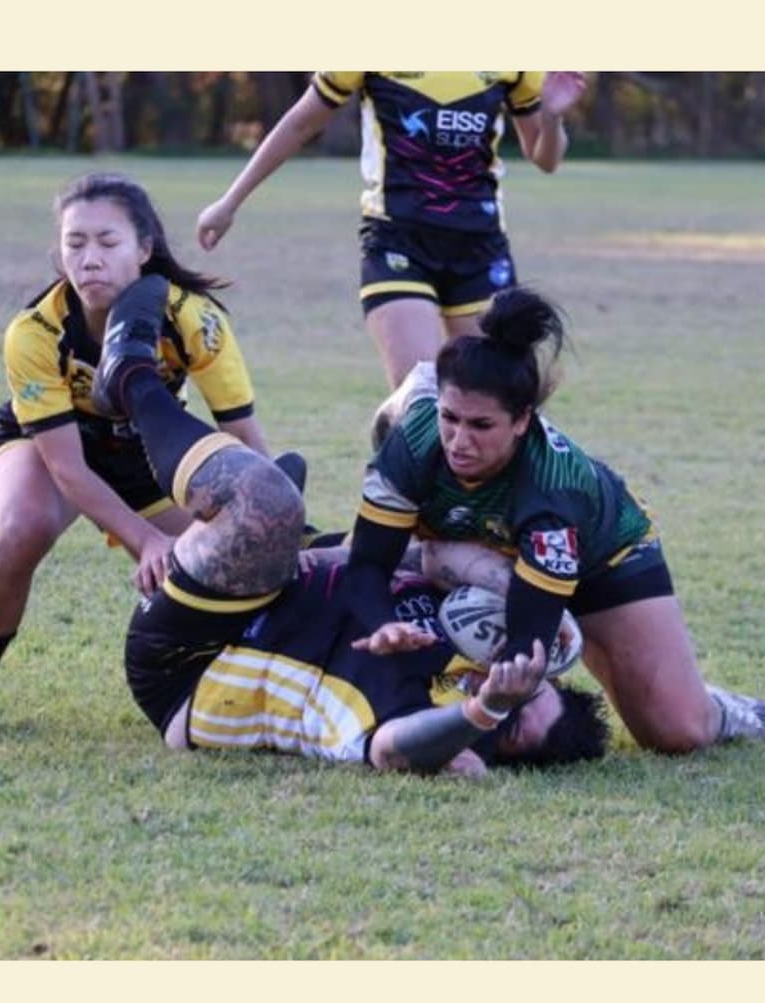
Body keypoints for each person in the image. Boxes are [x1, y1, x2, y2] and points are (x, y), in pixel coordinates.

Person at [91, 273, 609, 776]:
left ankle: (131, 379)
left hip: (195, 657)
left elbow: (391, 752)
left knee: (264, 501)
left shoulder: (433, 723)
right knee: (410, 540)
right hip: (285, 590)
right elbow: (430, 558)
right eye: (530, 690)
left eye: (512, 724)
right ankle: (284, 538)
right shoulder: (476, 640)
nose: (506, 684)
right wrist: (511, 597)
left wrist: (485, 712)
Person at [346, 286, 765, 753]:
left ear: (522, 421)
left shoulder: (553, 489)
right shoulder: (416, 439)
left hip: (601, 557)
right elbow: (366, 563)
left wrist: (506, 679)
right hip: (480, 544)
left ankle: (734, 710)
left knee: (677, 731)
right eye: (450, 418)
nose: (460, 440)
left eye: (481, 425)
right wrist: (384, 625)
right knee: (356, 558)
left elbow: (529, 636)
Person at [0, 172, 276, 667]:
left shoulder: (194, 318)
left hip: (139, 449)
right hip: (49, 447)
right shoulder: (34, 332)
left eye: (108, 242)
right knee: (22, 527)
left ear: (144, 248)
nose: (90, 259)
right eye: (75, 244)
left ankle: (224, 680)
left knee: (220, 561)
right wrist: (145, 539)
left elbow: (242, 436)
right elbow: (68, 467)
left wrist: (271, 522)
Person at [195, 71, 589, 388]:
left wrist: (552, 117)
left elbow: (546, 159)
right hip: (398, 240)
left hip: (480, 247)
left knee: (493, 394)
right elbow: (300, 124)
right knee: (420, 397)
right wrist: (230, 202)